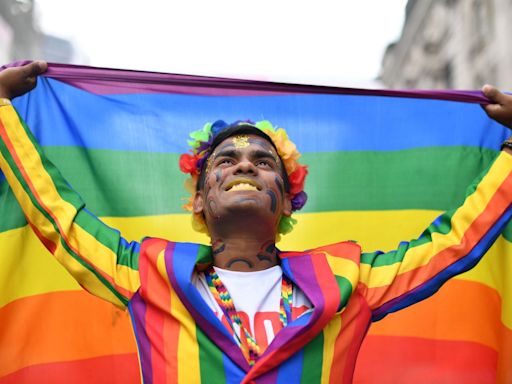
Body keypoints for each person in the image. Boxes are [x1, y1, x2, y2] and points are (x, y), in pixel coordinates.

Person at [1, 61, 512, 384]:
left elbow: (453, 242)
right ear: (198, 202)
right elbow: (58, 216)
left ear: (289, 203)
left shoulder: (348, 278)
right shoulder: (147, 271)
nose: (244, 165)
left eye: (264, 162)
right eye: (224, 162)